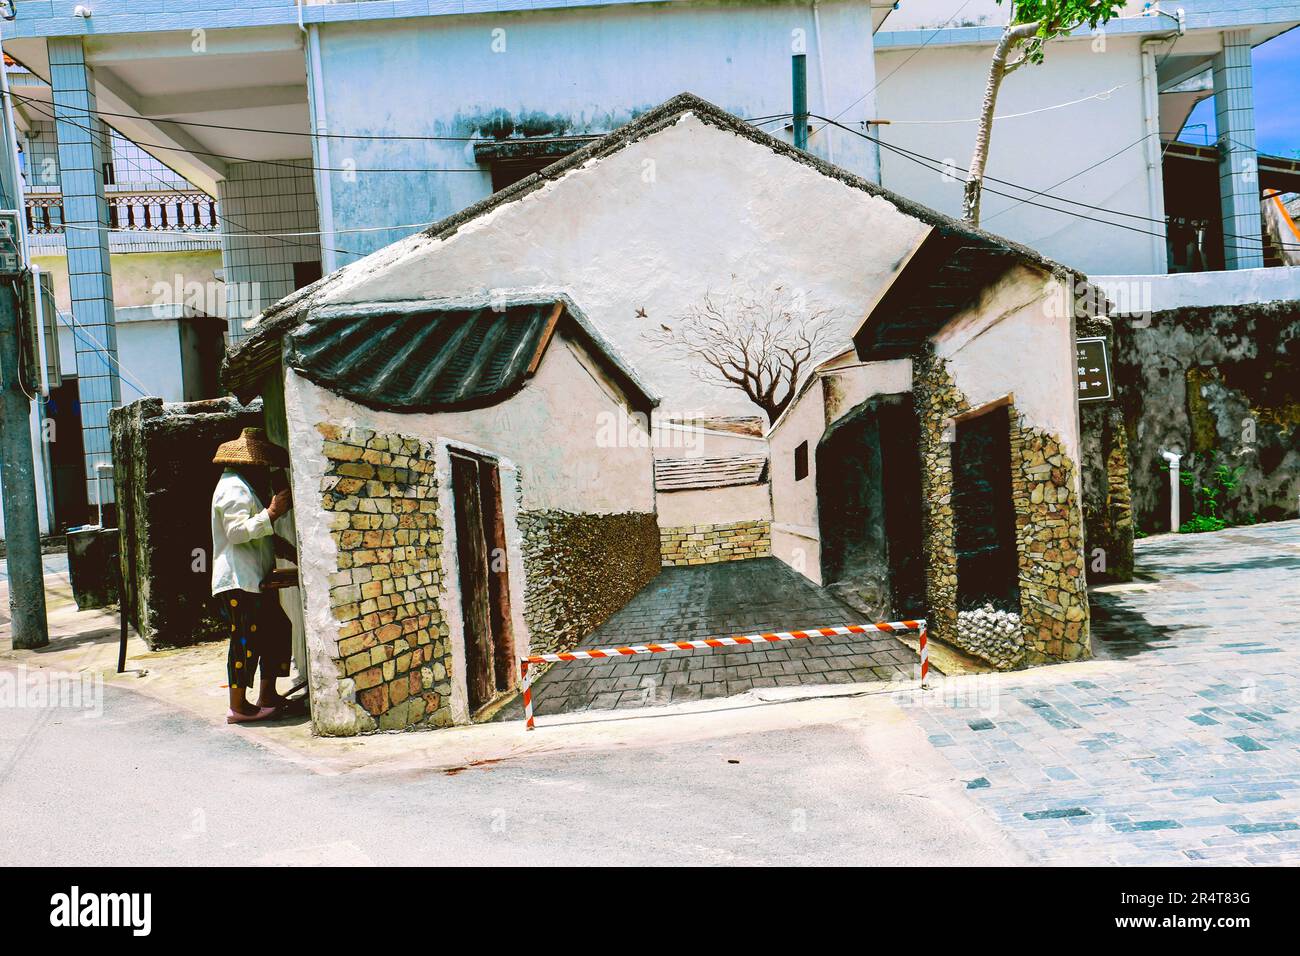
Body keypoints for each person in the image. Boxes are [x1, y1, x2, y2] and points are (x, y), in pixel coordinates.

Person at [210, 427, 295, 724]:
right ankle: (239, 706)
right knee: (245, 640)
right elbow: (235, 533)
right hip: (238, 582)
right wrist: (272, 512)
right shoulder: (234, 489)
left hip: (251, 581)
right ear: (250, 462)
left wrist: (286, 548)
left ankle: (267, 695)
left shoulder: (242, 486)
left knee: (278, 629)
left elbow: (256, 533)